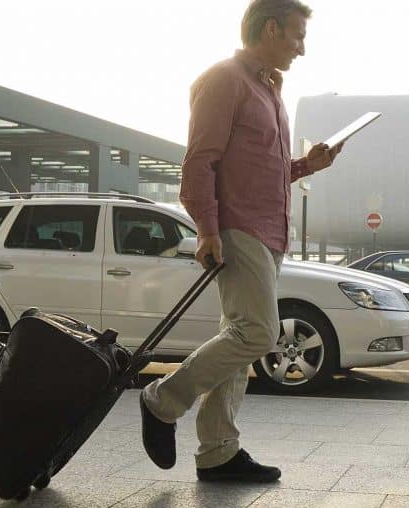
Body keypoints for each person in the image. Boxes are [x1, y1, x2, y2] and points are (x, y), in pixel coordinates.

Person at [139, 0, 342, 483]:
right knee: (258, 333)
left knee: (241, 336)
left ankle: (218, 453)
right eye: (297, 36)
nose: (302, 49)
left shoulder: (270, 90)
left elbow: (262, 173)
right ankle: (161, 401)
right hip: (237, 229)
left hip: (268, 233)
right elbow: (199, 163)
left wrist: (305, 167)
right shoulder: (224, 79)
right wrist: (208, 230)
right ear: (271, 28)